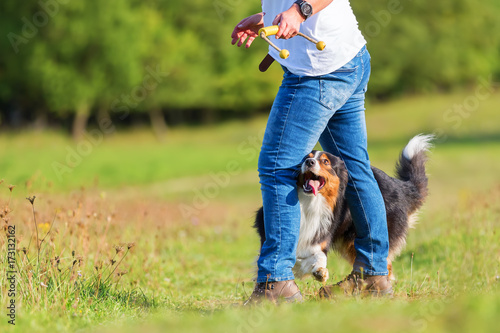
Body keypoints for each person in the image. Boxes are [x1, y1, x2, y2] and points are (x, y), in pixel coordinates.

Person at [231, 0, 392, 303]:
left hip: (319, 71)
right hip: (345, 58)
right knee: (356, 170)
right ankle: (373, 275)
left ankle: (276, 282)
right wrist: (266, 17)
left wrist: (299, 11)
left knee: (278, 167)